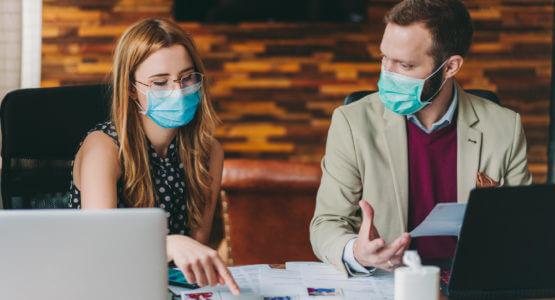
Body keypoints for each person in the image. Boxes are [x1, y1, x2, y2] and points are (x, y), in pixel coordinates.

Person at [310, 0, 532, 276]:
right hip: (387, 282)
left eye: (404, 65)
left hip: (470, 283)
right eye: (384, 58)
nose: (386, 74)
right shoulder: (352, 123)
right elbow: (327, 224)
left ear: (450, 67)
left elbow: (522, 229)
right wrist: (357, 252)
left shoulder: (504, 127)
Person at [67, 18, 240, 294]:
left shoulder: (209, 153)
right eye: (160, 82)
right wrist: (167, 243)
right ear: (131, 90)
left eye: (187, 78)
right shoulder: (104, 147)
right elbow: (100, 244)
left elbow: (194, 253)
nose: (177, 90)